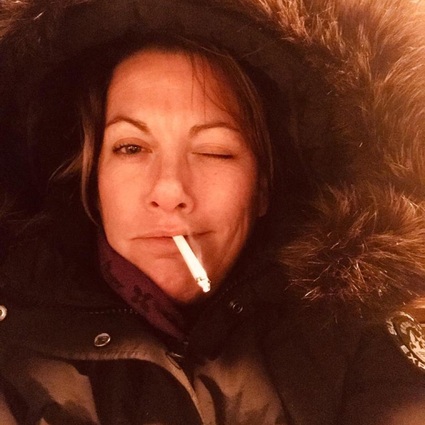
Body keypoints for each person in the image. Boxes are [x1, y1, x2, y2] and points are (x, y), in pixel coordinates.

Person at [0, 0, 424, 424]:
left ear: (262, 189)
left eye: (214, 151)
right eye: (131, 147)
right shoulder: (13, 357)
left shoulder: (357, 347)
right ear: (93, 182)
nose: (169, 191)